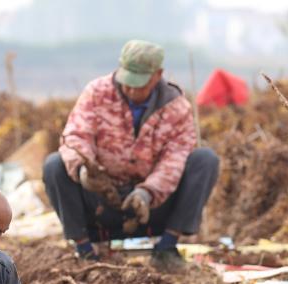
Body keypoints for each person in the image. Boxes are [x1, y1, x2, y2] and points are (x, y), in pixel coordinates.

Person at [43, 39, 219, 270]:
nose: (132, 90)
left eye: (140, 85)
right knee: (54, 165)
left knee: (205, 160)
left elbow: (174, 160)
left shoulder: (177, 107)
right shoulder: (96, 93)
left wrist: (148, 192)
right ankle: (85, 250)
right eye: (128, 83)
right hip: (101, 201)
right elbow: (76, 136)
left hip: (150, 208)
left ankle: (166, 248)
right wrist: (84, 170)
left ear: (158, 75)